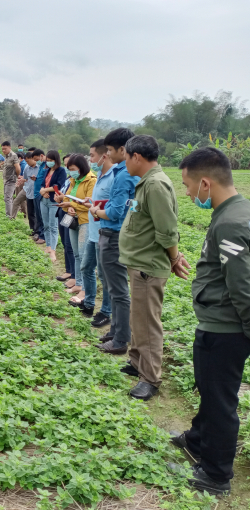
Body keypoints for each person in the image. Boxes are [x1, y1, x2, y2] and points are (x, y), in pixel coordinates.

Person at [167, 148, 250, 495]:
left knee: (220, 401)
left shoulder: (231, 221)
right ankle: (198, 440)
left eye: (187, 186)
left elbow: (242, 286)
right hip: (216, 324)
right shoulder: (233, 210)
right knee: (209, 389)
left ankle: (215, 475)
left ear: (205, 182)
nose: (187, 193)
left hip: (225, 329)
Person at [117, 135, 188, 400]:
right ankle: (137, 363)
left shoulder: (156, 185)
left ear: (136, 157)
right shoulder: (145, 183)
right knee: (139, 317)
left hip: (149, 264)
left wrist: (174, 258)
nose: (124, 160)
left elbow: (167, 231)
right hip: (139, 262)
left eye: (126, 156)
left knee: (147, 322)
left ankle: (151, 378)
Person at [88, 128, 138, 355]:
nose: (106, 154)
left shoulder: (124, 174)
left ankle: (120, 339)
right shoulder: (127, 172)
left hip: (113, 235)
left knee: (118, 290)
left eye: (109, 150)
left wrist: (97, 211)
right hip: (117, 235)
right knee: (114, 287)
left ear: (122, 149)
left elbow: (116, 212)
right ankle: (116, 332)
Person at [81, 139, 114, 328]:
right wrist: (91, 202)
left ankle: (106, 311)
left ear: (104, 155)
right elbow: (99, 202)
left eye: (92, 155)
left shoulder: (114, 177)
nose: (90, 160)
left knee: (104, 275)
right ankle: (89, 303)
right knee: (86, 268)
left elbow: (115, 208)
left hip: (105, 233)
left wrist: (96, 208)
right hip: (93, 233)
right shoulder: (100, 176)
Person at [58, 154, 96, 309]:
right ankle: (78, 284)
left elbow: (90, 203)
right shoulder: (73, 181)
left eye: (73, 169)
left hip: (85, 221)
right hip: (72, 218)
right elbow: (72, 198)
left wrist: (71, 204)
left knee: (84, 255)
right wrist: (69, 206)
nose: (71, 172)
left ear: (81, 167)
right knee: (76, 254)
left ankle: (86, 290)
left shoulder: (91, 180)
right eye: (69, 170)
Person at [38, 150, 67, 261]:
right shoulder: (47, 170)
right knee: (46, 225)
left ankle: (53, 250)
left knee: (53, 226)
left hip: (53, 201)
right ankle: (48, 246)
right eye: (48, 160)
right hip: (43, 200)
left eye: (51, 160)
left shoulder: (61, 171)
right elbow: (42, 184)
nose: (49, 162)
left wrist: (45, 190)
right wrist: (42, 191)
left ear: (56, 160)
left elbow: (58, 186)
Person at [56, 155, 76, 288]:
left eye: (71, 166)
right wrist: (60, 198)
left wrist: (65, 200)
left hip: (72, 215)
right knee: (65, 242)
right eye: (66, 165)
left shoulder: (82, 181)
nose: (68, 168)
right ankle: (68, 270)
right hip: (64, 213)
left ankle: (74, 275)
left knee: (71, 245)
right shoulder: (69, 180)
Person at [1, 141, 21, 218]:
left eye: (5, 149)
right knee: (8, 198)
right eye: (2, 149)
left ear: (10, 148)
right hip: (6, 180)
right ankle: (10, 214)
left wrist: (16, 176)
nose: (3, 150)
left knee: (7, 198)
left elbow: (18, 168)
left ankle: (9, 216)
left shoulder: (13, 156)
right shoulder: (6, 156)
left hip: (11, 180)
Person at [32, 149, 48, 243]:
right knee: (38, 216)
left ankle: (43, 236)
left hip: (41, 194)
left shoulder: (47, 165)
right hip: (36, 194)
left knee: (42, 217)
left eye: (36, 158)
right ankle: (40, 234)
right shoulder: (41, 165)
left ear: (41, 156)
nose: (36, 161)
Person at [22, 152, 38, 228]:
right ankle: (32, 229)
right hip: (29, 193)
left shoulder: (40, 168)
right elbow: (25, 179)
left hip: (37, 193)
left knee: (38, 214)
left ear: (32, 158)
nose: (27, 163)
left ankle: (38, 231)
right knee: (30, 213)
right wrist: (21, 180)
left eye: (28, 161)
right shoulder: (26, 168)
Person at [10, 152, 28, 219]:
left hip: (22, 183)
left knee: (20, 199)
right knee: (18, 199)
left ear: (20, 158)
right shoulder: (23, 164)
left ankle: (23, 212)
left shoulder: (23, 164)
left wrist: (20, 178)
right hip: (23, 183)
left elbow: (23, 175)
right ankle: (20, 213)